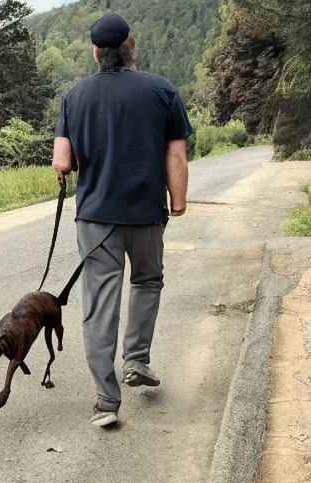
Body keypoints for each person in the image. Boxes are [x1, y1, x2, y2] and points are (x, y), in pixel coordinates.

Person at [52, 14, 192, 427]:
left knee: (100, 301)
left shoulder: (74, 96)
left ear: (97, 53)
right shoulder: (162, 90)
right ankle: (137, 360)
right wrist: (178, 201)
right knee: (147, 281)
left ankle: (105, 403)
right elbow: (176, 152)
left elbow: (62, 160)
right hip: (147, 212)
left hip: (95, 217)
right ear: (131, 48)